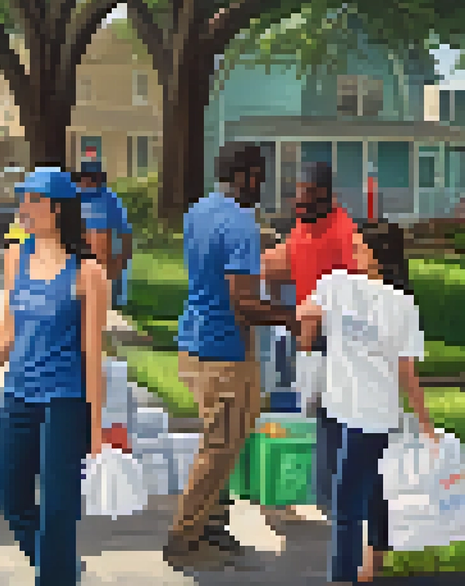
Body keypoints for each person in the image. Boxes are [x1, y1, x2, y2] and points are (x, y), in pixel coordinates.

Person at [0, 167, 109, 585]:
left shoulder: (88, 273)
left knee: (58, 510)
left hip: (64, 401)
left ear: (57, 209)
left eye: (33, 200)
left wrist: (96, 430)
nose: (23, 208)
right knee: (7, 490)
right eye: (23, 199)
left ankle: (55, 575)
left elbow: (93, 355)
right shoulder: (15, 258)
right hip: (19, 394)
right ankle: (61, 570)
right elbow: (8, 333)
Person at [163, 142, 295, 566]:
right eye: (259, 176)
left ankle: (212, 526)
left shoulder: (198, 211)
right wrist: (293, 318)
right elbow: (245, 302)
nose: (261, 184)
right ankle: (184, 538)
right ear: (246, 176)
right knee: (219, 447)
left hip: (195, 342)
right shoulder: (241, 224)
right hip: (225, 350)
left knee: (225, 441)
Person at [296, 220, 435, 584]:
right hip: (342, 410)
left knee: (346, 506)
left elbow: (406, 372)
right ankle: (372, 566)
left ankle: (345, 577)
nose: (353, 252)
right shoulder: (340, 284)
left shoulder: (389, 300)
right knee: (371, 492)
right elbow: (406, 371)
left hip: (371, 416)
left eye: (359, 247)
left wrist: (425, 424)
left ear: (378, 255)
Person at [268, 161, 357, 517]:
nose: (300, 201)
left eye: (308, 194)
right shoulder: (302, 227)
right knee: (316, 414)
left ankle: (337, 497)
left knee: (337, 416)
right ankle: (322, 494)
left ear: (326, 195)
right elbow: (289, 263)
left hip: (336, 338)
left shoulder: (343, 232)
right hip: (307, 337)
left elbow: (357, 287)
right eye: (298, 193)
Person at [75, 161, 133, 308]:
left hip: (106, 257)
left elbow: (124, 234)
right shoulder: (74, 197)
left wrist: (121, 260)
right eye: (85, 177)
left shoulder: (109, 200)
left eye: (92, 178)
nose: (87, 182)